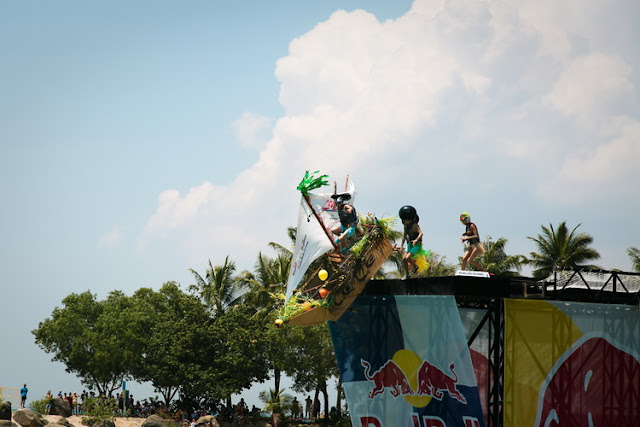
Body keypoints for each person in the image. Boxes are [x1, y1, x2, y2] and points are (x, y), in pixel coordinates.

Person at [399, 206, 431, 279]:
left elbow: (421, 233)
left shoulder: (414, 225)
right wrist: (401, 246)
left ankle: (416, 266)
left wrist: (416, 240)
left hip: (417, 245)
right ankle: (407, 275)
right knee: (404, 258)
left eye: (405, 220)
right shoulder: (406, 226)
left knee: (407, 257)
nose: (404, 221)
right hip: (410, 244)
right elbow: (404, 237)